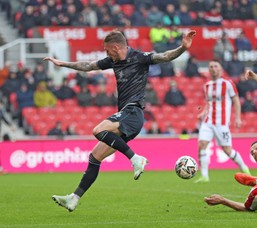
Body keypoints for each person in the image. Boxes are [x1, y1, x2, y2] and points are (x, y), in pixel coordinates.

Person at [43, 29, 196, 212]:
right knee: (95, 157)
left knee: (98, 130)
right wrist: (63, 64)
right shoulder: (113, 61)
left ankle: (135, 159)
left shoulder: (139, 57)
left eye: (108, 51)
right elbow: (89, 66)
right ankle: (74, 198)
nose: (106, 55)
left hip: (133, 112)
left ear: (116, 47)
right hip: (126, 114)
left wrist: (182, 48)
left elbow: (165, 56)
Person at [195, 60, 250, 183]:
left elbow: (236, 100)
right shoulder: (207, 85)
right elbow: (209, 103)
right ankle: (204, 176)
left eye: (215, 66)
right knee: (201, 145)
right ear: (208, 70)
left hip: (222, 123)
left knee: (227, 150)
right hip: (208, 122)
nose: (213, 68)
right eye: (211, 66)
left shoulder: (228, 84)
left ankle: (244, 167)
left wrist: (237, 118)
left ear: (220, 69)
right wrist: (203, 112)